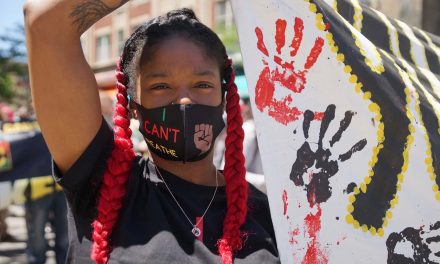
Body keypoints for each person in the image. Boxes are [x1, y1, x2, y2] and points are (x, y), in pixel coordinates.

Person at [24, 1, 279, 263]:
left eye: (202, 84)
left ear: (225, 98)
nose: (184, 101)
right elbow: (45, 24)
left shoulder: (275, 216)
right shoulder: (103, 183)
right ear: (134, 107)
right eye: (161, 86)